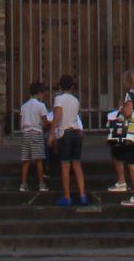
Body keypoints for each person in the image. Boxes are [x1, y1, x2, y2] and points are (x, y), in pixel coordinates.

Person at [49, 74, 90, 207]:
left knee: (65, 166)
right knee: (77, 164)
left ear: (60, 86)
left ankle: (67, 196)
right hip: (76, 132)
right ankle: (82, 195)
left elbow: (58, 116)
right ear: (72, 86)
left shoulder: (58, 99)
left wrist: (52, 133)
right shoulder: (75, 99)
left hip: (64, 133)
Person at [104, 94, 134, 206]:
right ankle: (124, 184)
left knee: (132, 164)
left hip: (132, 133)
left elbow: (128, 113)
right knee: (117, 153)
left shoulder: (130, 96)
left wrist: (121, 107)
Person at [14, 83, 49, 195]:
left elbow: (21, 121)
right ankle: (41, 184)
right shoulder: (41, 105)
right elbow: (45, 120)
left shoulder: (24, 106)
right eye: (43, 93)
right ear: (39, 93)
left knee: (26, 159)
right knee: (39, 159)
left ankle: (23, 184)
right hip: (36, 132)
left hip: (26, 133)